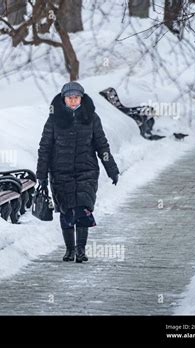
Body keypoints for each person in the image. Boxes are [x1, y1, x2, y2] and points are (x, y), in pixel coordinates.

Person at [36, 81, 120, 263]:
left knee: (83, 210)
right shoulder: (54, 119)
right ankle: (69, 250)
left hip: (86, 171)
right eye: (69, 98)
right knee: (67, 211)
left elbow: (102, 145)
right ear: (63, 99)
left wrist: (111, 169)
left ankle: (81, 251)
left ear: (81, 98)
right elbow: (45, 148)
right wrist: (41, 176)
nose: (73, 101)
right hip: (60, 173)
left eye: (76, 98)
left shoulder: (91, 117)